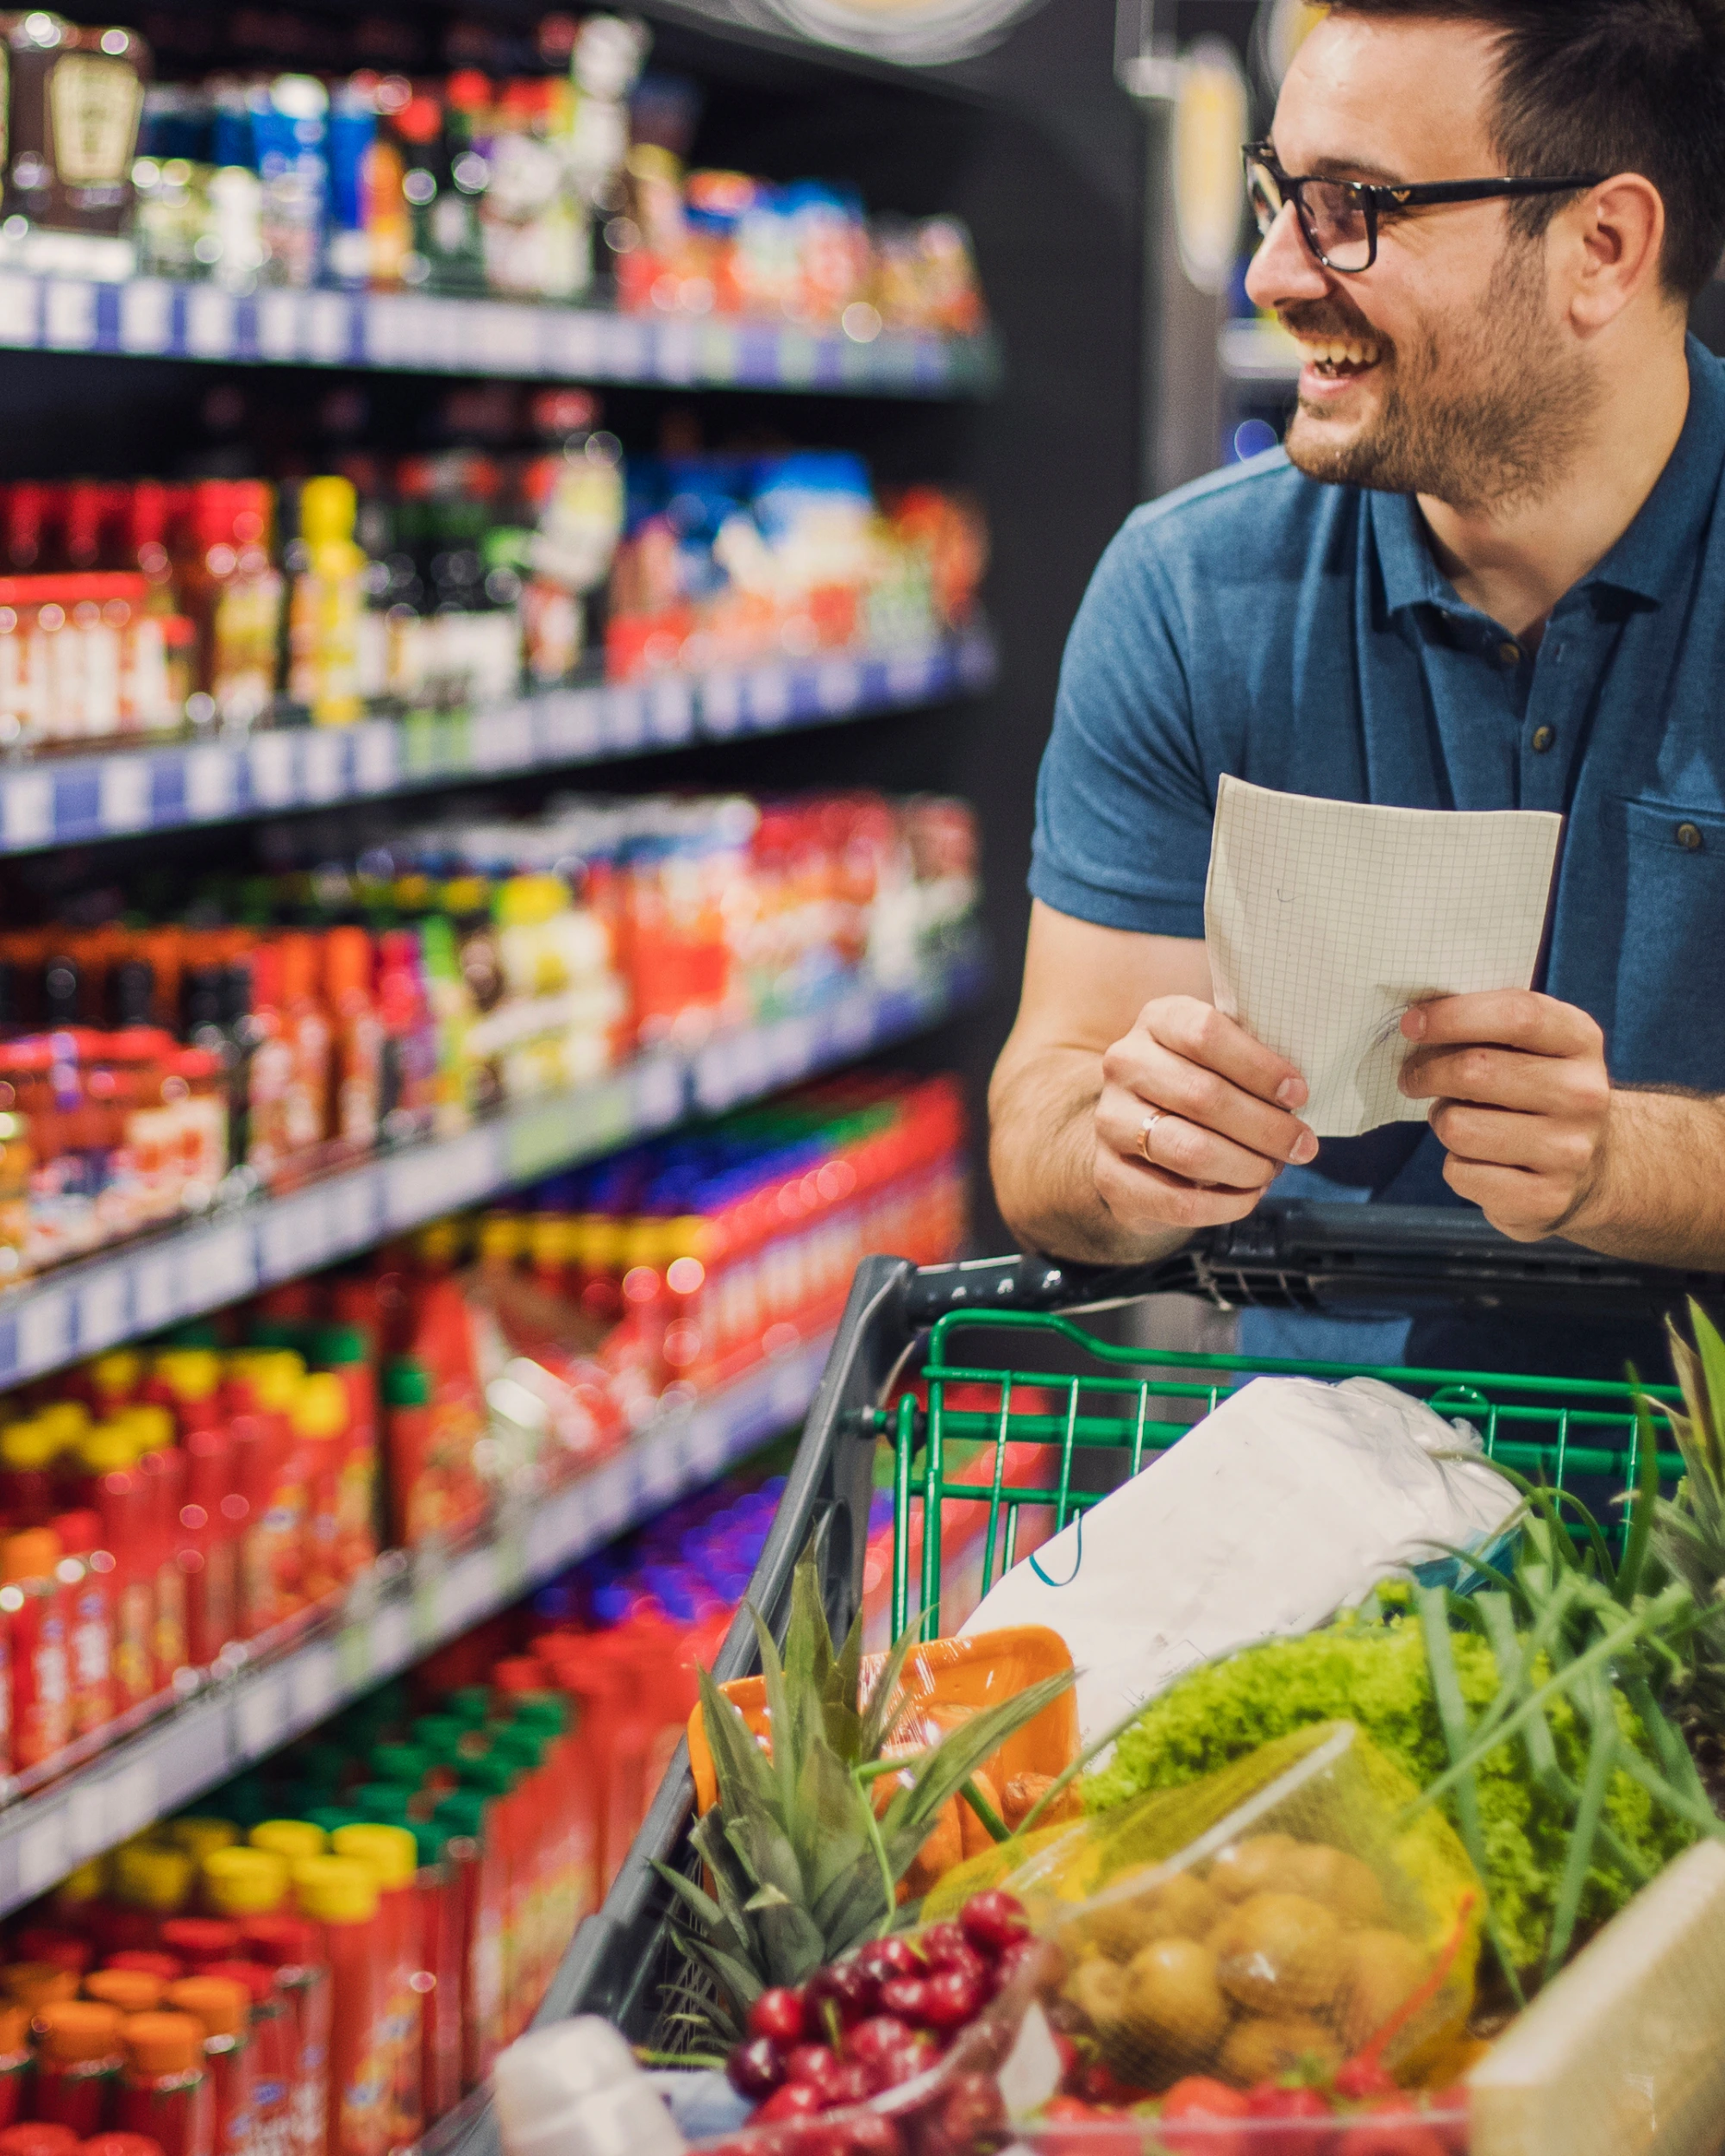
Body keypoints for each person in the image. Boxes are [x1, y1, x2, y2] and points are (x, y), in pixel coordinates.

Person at [990, 0, 1725, 1376]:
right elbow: (1046, 1113)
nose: (1272, 270)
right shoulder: (1190, 589)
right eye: (1280, 195)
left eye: (1353, 211)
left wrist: (1629, 1159)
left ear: (1603, 248)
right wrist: (1118, 1145)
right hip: (1318, 1481)